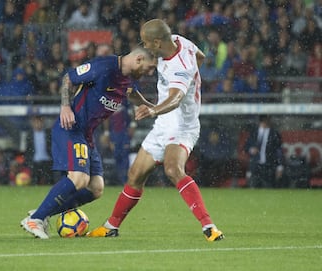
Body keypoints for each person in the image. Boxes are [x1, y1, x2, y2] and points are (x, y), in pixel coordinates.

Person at [87, 19, 224, 242]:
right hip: (163, 124)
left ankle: (209, 227)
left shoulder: (180, 67)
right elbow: (201, 57)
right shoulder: (180, 41)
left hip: (182, 126)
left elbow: (176, 99)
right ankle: (111, 226)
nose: (144, 45)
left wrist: (153, 110)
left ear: (158, 42)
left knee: (172, 169)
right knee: (135, 175)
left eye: (147, 42)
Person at [20, 46, 156, 239]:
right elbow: (68, 78)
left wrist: (152, 107)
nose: (150, 73)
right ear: (139, 59)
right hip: (71, 127)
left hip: (87, 135)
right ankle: (36, 219)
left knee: (96, 187)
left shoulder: (127, 77)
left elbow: (131, 92)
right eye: (150, 68)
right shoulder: (103, 66)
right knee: (79, 178)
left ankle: (42, 212)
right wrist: (65, 107)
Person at [244, 115, 284, 188]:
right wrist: (251, 150)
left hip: (269, 165)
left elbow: (279, 151)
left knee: (268, 187)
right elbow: (246, 147)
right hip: (255, 165)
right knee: (253, 187)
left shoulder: (274, 134)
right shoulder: (254, 132)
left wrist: (280, 166)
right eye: (263, 120)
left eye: (266, 120)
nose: (265, 122)